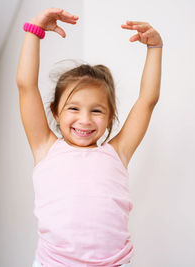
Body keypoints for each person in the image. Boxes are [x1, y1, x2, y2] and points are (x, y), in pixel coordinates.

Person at [17, 7, 163, 267]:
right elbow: (26, 87)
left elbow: (147, 101)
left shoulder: (117, 152)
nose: (85, 120)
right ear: (55, 112)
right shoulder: (45, 147)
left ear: (109, 117)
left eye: (96, 111)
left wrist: (155, 49)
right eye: (73, 108)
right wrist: (34, 31)